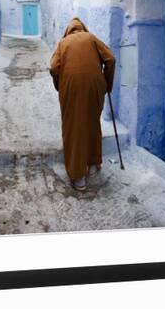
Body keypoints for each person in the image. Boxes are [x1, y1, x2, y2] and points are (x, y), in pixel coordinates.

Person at [49, 17, 116, 192]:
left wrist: (60, 86)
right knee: (92, 122)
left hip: (71, 87)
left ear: (69, 30)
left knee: (74, 127)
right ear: (82, 28)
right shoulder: (91, 37)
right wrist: (107, 84)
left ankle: (79, 177)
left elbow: (54, 67)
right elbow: (110, 59)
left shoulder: (63, 43)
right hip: (95, 86)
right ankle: (93, 165)